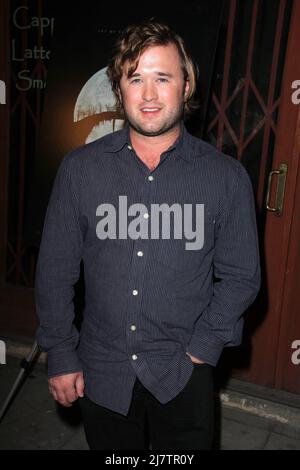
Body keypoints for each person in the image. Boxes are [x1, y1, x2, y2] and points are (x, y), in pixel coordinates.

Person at [35, 20, 261, 450]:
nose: (150, 94)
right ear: (119, 90)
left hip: (183, 372)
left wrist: (202, 348)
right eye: (135, 78)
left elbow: (241, 277)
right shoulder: (80, 171)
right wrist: (61, 354)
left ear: (187, 84)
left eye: (163, 77)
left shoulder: (226, 178)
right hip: (102, 370)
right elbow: (54, 270)